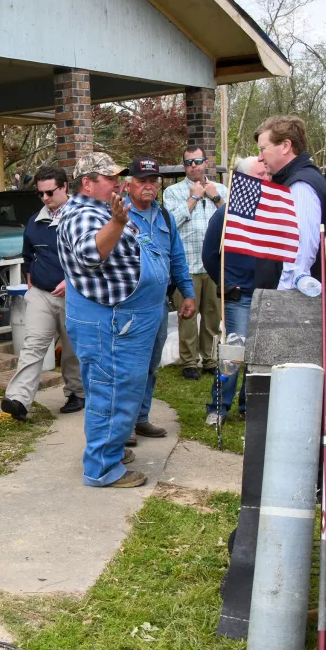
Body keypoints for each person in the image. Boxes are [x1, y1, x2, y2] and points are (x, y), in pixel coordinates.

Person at [57, 153, 162, 489]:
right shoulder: (81, 215)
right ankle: (102, 468)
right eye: (109, 177)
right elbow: (90, 255)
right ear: (86, 182)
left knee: (118, 390)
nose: (118, 182)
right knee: (112, 391)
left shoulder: (102, 209)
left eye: (118, 176)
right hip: (111, 322)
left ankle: (109, 451)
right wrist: (117, 223)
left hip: (123, 319)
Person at [1, 166, 85, 421]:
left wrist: (71, 282)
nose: (46, 198)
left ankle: (77, 393)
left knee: (73, 350)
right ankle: (18, 400)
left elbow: (93, 259)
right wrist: (31, 282)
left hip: (76, 295)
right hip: (41, 294)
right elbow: (28, 257)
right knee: (33, 345)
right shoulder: (35, 221)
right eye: (41, 194)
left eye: (50, 192)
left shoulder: (81, 217)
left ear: (64, 187)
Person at [126, 156, 197, 440]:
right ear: (128, 184)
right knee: (130, 366)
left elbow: (177, 258)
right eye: (142, 181)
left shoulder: (165, 216)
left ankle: (141, 418)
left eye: (153, 181)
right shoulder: (118, 216)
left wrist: (188, 294)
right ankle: (124, 424)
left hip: (159, 303)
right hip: (129, 306)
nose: (148, 186)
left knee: (151, 365)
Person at [201, 157, 269, 425]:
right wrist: (227, 283)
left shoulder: (271, 212)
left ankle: (249, 405)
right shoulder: (226, 214)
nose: (266, 178)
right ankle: (218, 408)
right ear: (243, 179)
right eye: (260, 174)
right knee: (233, 355)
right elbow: (210, 255)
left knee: (259, 355)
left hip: (268, 295)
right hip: (239, 296)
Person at [254, 115, 326, 287]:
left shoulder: (301, 185)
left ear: (286, 146)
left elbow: (300, 252)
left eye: (262, 149)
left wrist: (283, 297)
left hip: (293, 301)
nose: (259, 157)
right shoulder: (298, 179)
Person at [162, 145, 227, 380]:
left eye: (197, 161)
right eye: (188, 162)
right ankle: (189, 361)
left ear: (206, 162)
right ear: (184, 166)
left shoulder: (220, 189)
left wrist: (215, 197)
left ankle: (210, 359)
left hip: (214, 265)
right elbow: (170, 224)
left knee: (213, 316)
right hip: (187, 264)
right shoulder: (173, 192)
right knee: (187, 316)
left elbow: (232, 221)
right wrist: (193, 197)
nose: (193, 166)